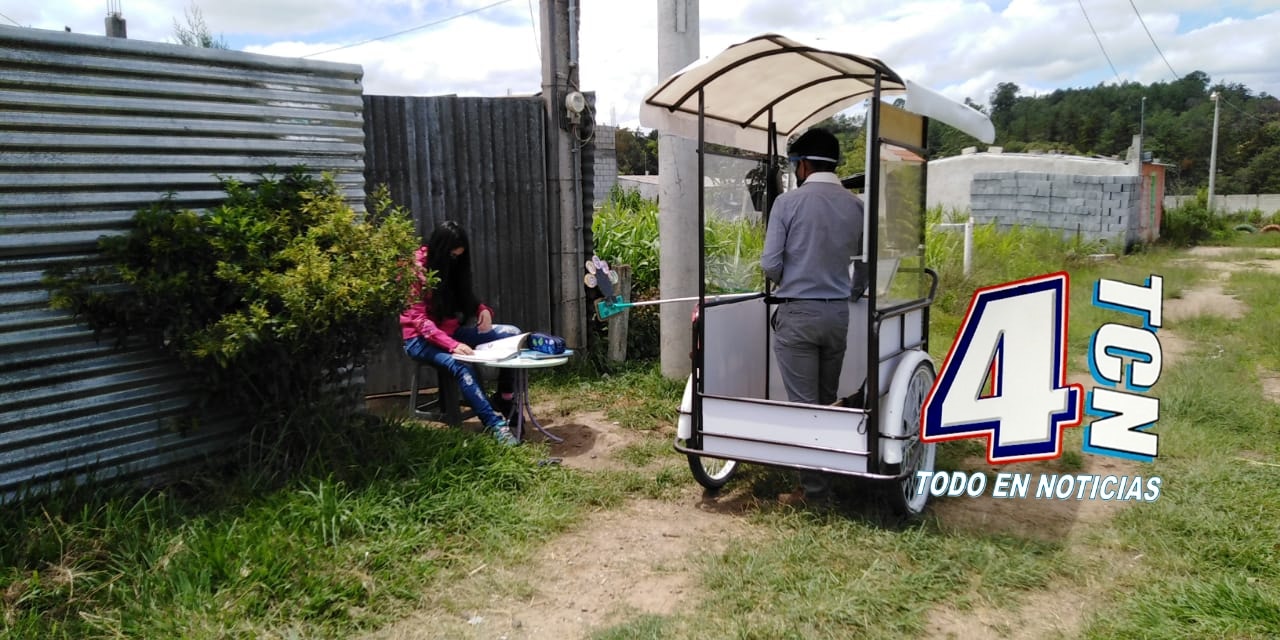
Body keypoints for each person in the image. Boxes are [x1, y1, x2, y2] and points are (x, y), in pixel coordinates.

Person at [760, 127, 865, 502]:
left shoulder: (787, 204)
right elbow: (864, 265)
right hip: (837, 316)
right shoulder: (856, 206)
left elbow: (770, 264)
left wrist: (795, 276)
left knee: (805, 408)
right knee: (826, 400)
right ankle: (827, 478)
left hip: (798, 316)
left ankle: (816, 493)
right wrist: (849, 291)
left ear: (802, 165)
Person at [401, 221, 522, 446]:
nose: (455, 261)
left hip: (451, 333)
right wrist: (452, 345)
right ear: (441, 250)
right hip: (419, 341)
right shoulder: (416, 269)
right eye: (452, 256)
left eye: (459, 256)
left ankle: (504, 398)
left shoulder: (452, 266)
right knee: (461, 365)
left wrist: (482, 310)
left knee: (512, 334)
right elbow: (418, 320)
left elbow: (464, 296)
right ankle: (494, 425)